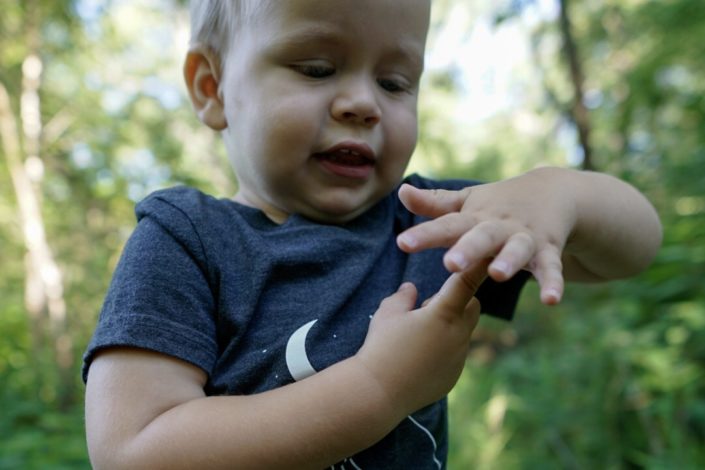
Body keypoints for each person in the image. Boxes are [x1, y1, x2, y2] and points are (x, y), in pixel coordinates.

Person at [82, 0, 662, 468]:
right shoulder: (187, 239)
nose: (363, 103)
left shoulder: (430, 224)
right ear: (212, 87)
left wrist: (556, 193)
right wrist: (380, 388)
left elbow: (633, 248)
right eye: (316, 69)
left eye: (394, 82)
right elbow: (133, 450)